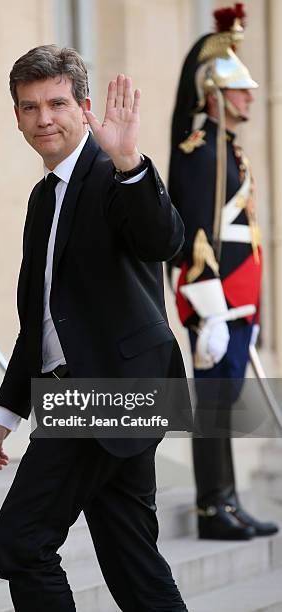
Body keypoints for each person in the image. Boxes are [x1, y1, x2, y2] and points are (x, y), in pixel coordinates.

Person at [0, 44, 188, 611]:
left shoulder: (113, 175)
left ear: (85, 106)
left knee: (21, 544)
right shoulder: (43, 198)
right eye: (29, 107)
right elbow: (41, 319)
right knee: (133, 563)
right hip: (101, 391)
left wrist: (129, 164)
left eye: (57, 103)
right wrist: (4, 415)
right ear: (17, 115)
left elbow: (162, 239)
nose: (43, 118)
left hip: (107, 393)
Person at [168, 3, 278, 540]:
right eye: (239, 90)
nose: (250, 96)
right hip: (215, 300)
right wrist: (208, 311)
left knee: (224, 404)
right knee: (213, 403)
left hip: (235, 297)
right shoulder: (201, 151)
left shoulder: (229, 151)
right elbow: (196, 237)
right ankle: (212, 506)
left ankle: (227, 500)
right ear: (214, 94)